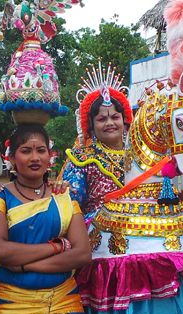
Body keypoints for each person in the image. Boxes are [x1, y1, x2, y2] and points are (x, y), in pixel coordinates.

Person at [0, 124, 102, 314]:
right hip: (12, 310)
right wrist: (57, 246)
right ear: (11, 158)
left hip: (64, 306)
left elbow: (81, 254)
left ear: (50, 156)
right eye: (26, 151)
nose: (34, 157)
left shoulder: (65, 197)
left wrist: (23, 264)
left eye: (41, 150)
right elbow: (0, 251)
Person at [61, 64, 133, 221]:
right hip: (98, 234)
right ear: (91, 126)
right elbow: (71, 210)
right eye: (101, 119)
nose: (109, 123)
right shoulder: (81, 160)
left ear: (125, 121)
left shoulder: (140, 156)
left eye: (115, 117)